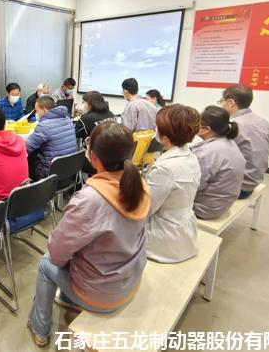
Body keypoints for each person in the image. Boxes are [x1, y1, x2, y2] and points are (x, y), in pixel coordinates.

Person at [27, 122, 150, 347]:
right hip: (130, 279)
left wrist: (66, 260)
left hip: (102, 295)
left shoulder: (90, 199)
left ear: (93, 156)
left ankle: (40, 329)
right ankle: (68, 297)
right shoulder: (139, 183)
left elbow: (57, 250)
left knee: (46, 263)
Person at [145, 104, 201, 263]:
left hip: (165, 237)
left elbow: (146, 209)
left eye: (157, 127)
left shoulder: (164, 168)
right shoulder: (191, 157)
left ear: (165, 137)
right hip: (184, 229)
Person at [219, 85, 269, 199]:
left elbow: (215, 156)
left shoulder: (233, 125)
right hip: (253, 181)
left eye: (221, 101)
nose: (221, 105)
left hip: (238, 188)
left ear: (231, 102)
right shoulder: (264, 122)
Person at [192, 106, 246, 220]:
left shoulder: (208, 152)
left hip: (204, 208)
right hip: (222, 203)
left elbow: (194, 185)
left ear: (206, 129)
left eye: (196, 122)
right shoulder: (229, 142)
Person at [26, 96, 77, 180]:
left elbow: (26, 148)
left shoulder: (44, 126)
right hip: (69, 170)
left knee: (30, 158)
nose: (36, 114)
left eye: (37, 111)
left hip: (50, 174)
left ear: (45, 110)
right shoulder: (68, 119)